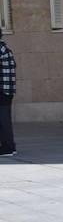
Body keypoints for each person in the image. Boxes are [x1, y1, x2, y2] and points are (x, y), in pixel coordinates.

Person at [0, 26, 15, 157]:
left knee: (3, 120)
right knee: (4, 119)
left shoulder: (1, 50)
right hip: (7, 90)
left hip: (2, 90)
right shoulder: (5, 49)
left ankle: (8, 147)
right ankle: (8, 146)